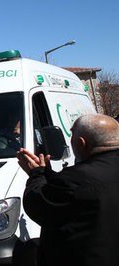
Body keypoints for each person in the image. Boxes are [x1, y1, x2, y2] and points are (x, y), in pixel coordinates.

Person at [16, 114, 119, 266]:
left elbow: (39, 205)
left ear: (82, 143)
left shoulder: (77, 179)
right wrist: (46, 173)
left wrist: (35, 175)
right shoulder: (79, 178)